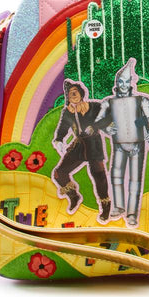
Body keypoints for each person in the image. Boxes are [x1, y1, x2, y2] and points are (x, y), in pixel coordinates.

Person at [91, 59, 149, 227]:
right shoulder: (108, 102)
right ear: (116, 83)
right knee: (116, 175)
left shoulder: (141, 100)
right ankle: (119, 206)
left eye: (126, 82)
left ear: (131, 83)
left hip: (137, 144)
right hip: (119, 144)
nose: (123, 85)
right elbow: (98, 121)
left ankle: (132, 213)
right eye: (120, 82)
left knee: (135, 179)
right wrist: (107, 128)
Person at [51, 80, 111, 223]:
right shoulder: (68, 112)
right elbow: (63, 128)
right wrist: (59, 140)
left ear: (81, 93)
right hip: (79, 145)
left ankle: (105, 205)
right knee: (59, 173)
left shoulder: (94, 106)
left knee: (99, 176)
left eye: (75, 93)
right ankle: (74, 196)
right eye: (70, 94)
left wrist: (95, 126)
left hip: (94, 144)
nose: (73, 96)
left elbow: (109, 116)